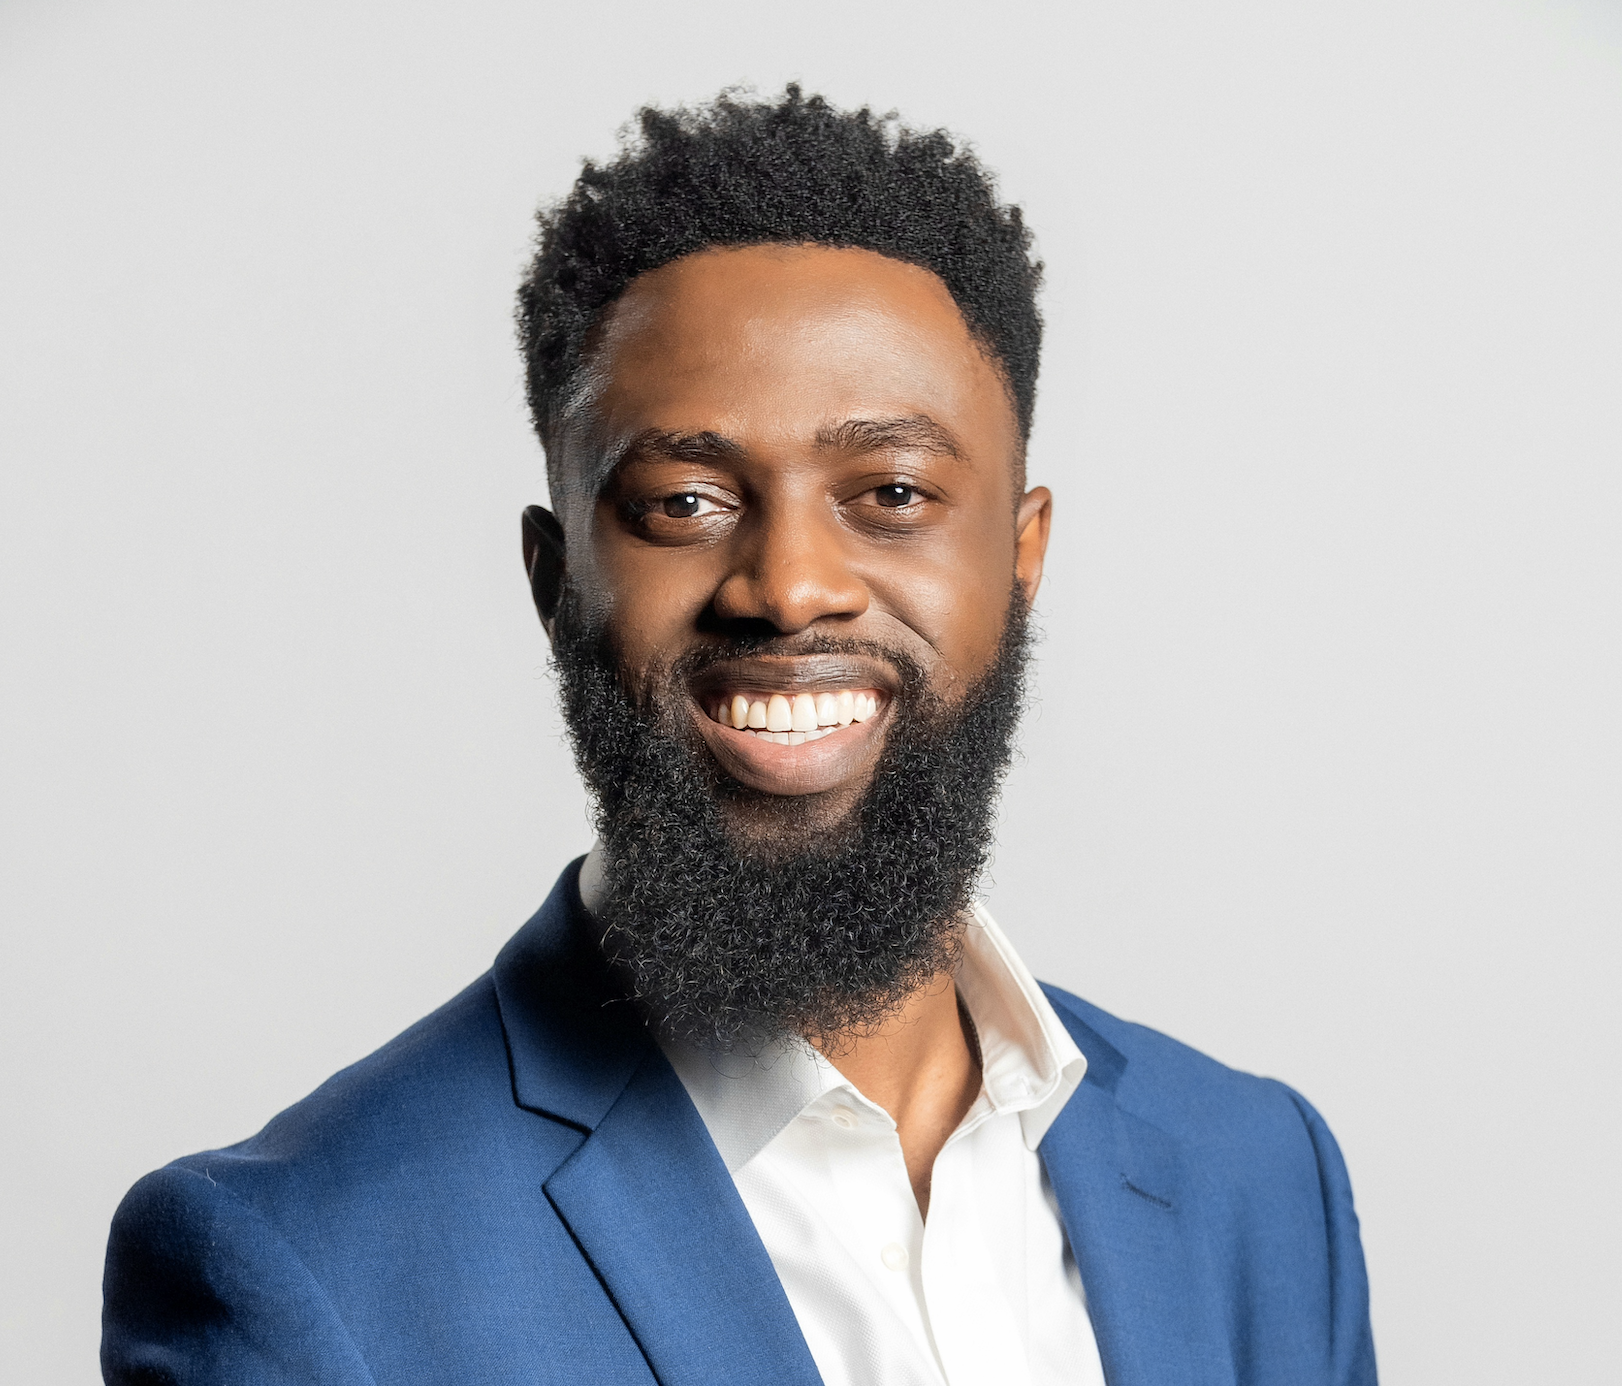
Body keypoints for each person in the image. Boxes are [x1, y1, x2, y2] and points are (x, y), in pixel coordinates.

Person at [102, 87, 1376, 1386]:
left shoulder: (1260, 1185)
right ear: (555, 580)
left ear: (1020, 554)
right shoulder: (306, 1270)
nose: (789, 584)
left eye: (891, 491)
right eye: (684, 501)